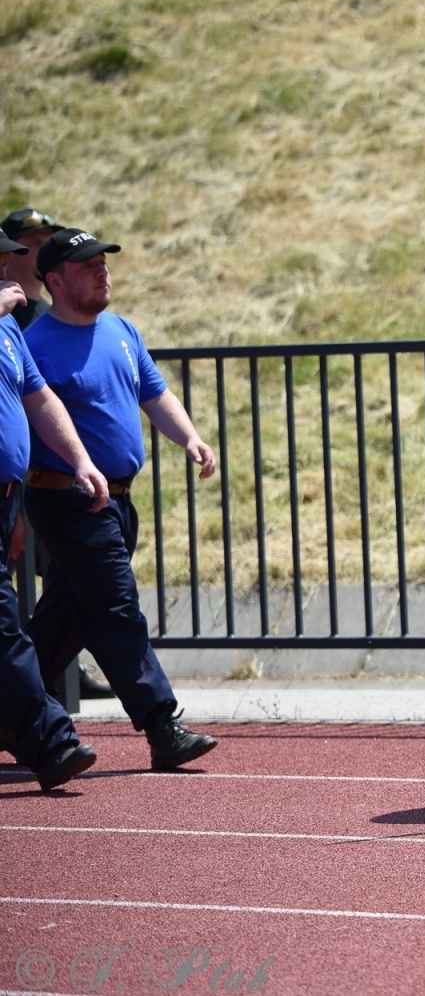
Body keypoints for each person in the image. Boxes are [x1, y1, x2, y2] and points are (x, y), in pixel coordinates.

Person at [23, 227, 220, 771]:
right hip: (69, 499)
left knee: (67, 616)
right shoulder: (34, 345)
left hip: (118, 501)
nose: (102, 271)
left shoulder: (121, 330)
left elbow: (154, 393)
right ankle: (161, 725)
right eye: (88, 266)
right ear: (56, 280)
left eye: (103, 262)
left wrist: (190, 437)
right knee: (114, 607)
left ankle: (12, 713)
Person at [0, 231, 107, 790]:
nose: (7, 269)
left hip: (5, 497)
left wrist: (80, 459)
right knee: (5, 628)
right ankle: (50, 739)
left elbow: (38, 399)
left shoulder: (7, 330)